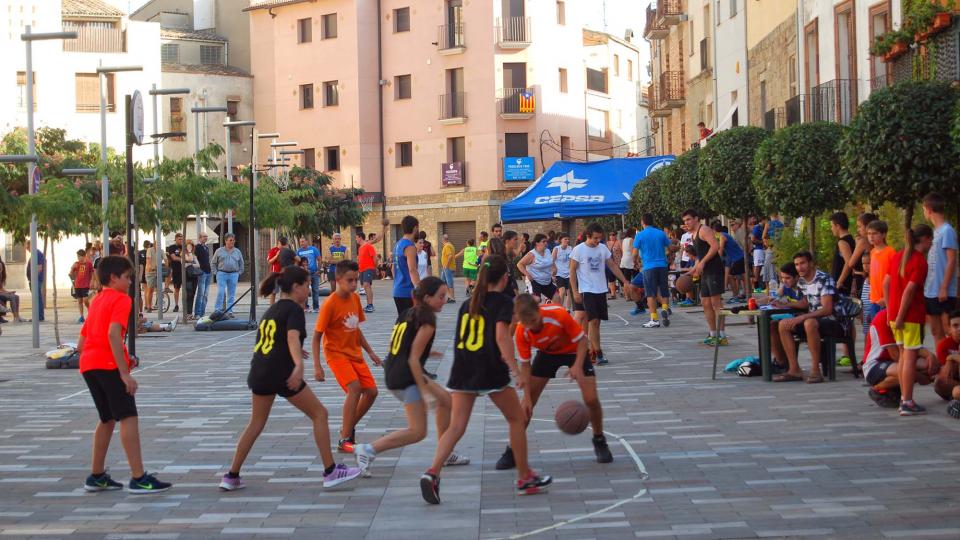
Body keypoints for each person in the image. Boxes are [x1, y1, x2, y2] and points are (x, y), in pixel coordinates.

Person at [419, 255, 551, 505]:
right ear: (505, 278)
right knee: (517, 419)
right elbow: (502, 337)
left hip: (463, 369)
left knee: (456, 427)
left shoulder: (467, 303)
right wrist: (515, 369)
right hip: (488, 367)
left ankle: (432, 471)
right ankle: (525, 477)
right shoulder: (502, 301)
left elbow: (461, 339)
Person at [219, 266, 362, 491]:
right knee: (320, 414)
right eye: (306, 285)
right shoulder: (294, 310)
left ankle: (231, 475)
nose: (309, 288)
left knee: (255, 423)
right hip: (281, 372)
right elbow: (292, 337)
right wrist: (298, 364)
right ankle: (330, 471)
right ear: (296, 287)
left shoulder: (273, 310)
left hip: (259, 371)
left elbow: (272, 340)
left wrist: (294, 353)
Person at [353, 277, 469, 476]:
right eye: (441, 297)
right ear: (427, 298)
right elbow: (414, 359)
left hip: (395, 370)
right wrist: (425, 391)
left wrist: (427, 353)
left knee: (445, 400)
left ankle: (446, 451)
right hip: (405, 376)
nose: (444, 300)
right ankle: (368, 449)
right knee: (418, 431)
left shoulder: (408, 313)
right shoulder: (428, 319)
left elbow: (403, 344)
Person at [77, 255, 172, 494]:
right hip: (107, 365)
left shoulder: (96, 300)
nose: (131, 282)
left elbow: (82, 341)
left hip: (88, 364)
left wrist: (123, 357)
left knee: (107, 419)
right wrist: (124, 372)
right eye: (128, 277)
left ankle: (96, 475)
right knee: (128, 417)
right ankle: (138, 477)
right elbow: (112, 334)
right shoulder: (121, 300)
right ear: (113, 277)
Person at [494, 294, 612, 471]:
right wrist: (526, 396)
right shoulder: (521, 331)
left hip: (574, 352)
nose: (533, 326)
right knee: (526, 405)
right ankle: (512, 450)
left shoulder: (558, 314)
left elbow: (582, 341)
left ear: (539, 311)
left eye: (535, 320)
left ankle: (599, 440)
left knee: (591, 400)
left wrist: (578, 365)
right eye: (528, 324)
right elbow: (525, 366)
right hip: (547, 354)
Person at [312, 260, 382, 453]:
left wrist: (370, 352)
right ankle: (345, 439)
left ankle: (347, 428)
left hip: (355, 354)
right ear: (338, 279)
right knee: (355, 388)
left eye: (356, 280)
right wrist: (317, 366)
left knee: (372, 392)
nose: (354, 285)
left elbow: (355, 328)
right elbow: (317, 336)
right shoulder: (330, 304)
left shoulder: (355, 299)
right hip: (336, 354)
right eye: (350, 280)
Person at [570, 223, 635, 365]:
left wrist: (624, 281)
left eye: (599, 238)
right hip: (587, 290)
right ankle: (598, 353)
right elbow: (572, 271)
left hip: (601, 289)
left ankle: (592, 351)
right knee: (592, 321)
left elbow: (611, 265)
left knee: (597, 323)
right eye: (595, 238)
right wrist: (575, 291)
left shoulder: (602, 248)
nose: (597, 241)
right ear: (588, 236)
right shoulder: (578, 250)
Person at [886, 224, 934, 415]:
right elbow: (910, 291)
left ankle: (903, 398)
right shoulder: (920, 261)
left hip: (895, 316)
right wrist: (900, 316)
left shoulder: (898, 256)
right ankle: (907, 401)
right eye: (931, 240)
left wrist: (891, 313)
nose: (931, 244)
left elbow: (886, 283)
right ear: (925, 239)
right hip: (910, 317)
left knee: (903, 357)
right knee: (909, 359)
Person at [773, 251, 840, 384]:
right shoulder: (802, 281)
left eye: (802, 263)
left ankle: (816, 370)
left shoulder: (824, 278)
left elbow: (827, 309)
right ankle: (794, 369)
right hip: (814, 319)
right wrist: (785, 304)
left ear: (811, 263)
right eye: (797, 264)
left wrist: (801, 318)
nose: (799, 267)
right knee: (782, 324)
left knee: (809, 323)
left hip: (834, 320)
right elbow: (806, 302)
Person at [682, 209, 726, 345]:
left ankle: (722, 336)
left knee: (716, 303)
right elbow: (700, 255)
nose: (686, 223)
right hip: (706, 270)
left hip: (714, 269)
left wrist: (703, 263)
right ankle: (713, 333)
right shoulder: (693, 234)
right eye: (684, 221)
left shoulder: (704, 230)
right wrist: (694, 268)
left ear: (696, 218)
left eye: (688, 219)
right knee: (705, 302)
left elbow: (715, 247)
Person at [922, 192, 958, 344]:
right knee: (936, 331)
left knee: (948, 329)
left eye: (923, 209)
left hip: (943, 291)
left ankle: (952, 364)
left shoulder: (947, 230)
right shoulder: (934, 232)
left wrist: (944, 287)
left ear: (928, 209)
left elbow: (952, 260)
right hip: (930, 290)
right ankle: (942, 362)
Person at [634, 213, 672, 327]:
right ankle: (665, 308)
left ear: (642, 222)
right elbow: (670, 248)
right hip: (662, 265)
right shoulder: (661, 233)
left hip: (649, 267)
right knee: (664, 290)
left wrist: (635, 262)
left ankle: (654, 319)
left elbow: (634, 253)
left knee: (651, 294)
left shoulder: (640, 235)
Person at [830, 212, 857, 363]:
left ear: (838, 226)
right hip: (845, 284)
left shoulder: (842, 241)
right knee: (848, 319)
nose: (831, 229)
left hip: (842, 285)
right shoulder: (850, 239)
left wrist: (839, 281)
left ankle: (847, 354)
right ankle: (848, 353)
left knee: (844, 319)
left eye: (832, 226)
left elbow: (848, 262)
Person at [837, 212, 876, 301]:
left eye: (859, 226)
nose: (858, 230)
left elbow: (851, 263)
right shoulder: (874, 242)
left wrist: (857, 243)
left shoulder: (862, 242)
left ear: (867, 227)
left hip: (861, 280)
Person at [867, 220, 895, 325]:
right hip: (873, 299)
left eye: (874, 233)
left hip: (885, 301)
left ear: (883, 234)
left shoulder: (890, 252)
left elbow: (894, 278)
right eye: (869, 234)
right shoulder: (872, 252)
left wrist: (887, 298)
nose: (871, 237)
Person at [392, 216, 422, 315]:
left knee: (404, 324)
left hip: (397, 290)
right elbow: (412, 270)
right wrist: (419, 289)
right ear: (415, 228)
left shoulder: (398, 244)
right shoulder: (410, 246)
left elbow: (393, 268)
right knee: (413, 324)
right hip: (407, 292)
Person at [210, 233, 244, 317]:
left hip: (233, 274)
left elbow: (241, 263)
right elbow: (213, 263)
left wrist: (239, 272)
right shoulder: (219, 251)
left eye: (233, 240)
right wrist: (216, 272)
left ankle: (230, 311)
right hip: (222, 274)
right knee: (221, 292)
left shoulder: (237, 251)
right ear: (226, 241)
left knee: (231, 294)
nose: (232, 242)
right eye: (230, 240)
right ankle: (217, 310)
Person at [516, 234, 556, 303]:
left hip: (547, 281)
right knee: (537, 300)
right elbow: (519, 264)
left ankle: (555, 313)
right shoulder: (531, 254)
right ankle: (528, 311)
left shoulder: (548, 251)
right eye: (543, 241)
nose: (546, 243)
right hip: (535, 281)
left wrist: (554, 268)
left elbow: (551, 261)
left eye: (546, 241)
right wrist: (528, 275)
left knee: (557, 297)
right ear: (537, 243)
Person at [935, 311, 960, 403]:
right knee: (939, 382)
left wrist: (951, 357)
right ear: (949, 329)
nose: (959, 329)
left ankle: (956, 396)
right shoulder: (943, 345)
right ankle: (955, 395)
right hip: (955, 381)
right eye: (955, 326)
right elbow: (944, 371)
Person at [720, 225, 747, 303]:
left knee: (731, 277)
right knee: (743, 277)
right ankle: (746, 294)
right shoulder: (726, 235)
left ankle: (735, 297)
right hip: (739, 257)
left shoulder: (722, 236)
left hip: (737, 258)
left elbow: (720, 250)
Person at [297, 237, 322, 313]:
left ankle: (316, 307)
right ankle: (305, 306)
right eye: (300, 242)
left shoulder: (313, 249)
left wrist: (318, 270)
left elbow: (319, 259)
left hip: (314, 273)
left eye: (303, 241)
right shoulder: (298, 251)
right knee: (305, 291)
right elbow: (296, 262)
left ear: (307, 241)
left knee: (315, 290)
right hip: (304, 274)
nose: (301, 243)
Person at [70, 249, 94, 324]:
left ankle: (91, 313)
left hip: (86, 284)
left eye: (80, 257)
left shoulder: (89, 264)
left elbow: (92, 273)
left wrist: (92, 281)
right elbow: (71, 275)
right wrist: (72, 268)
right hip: (78, 285)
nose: (79, 258)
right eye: (78, 257)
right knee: (80, 301)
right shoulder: (76, 264)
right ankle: (81, 316)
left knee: (85, 300)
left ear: (84, 256)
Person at [0, 254, 26, 323]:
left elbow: (1, 288)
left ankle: (17, 316)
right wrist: (6, 293)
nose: (1, 269)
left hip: (1, 293)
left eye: (2, 267)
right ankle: (16, 317)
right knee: (12, 297)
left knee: (16, 296)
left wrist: (7, 292)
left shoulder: (1, 275)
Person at [358, 232, 379, 313]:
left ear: (360, 237)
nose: (356, 239)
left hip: (369, 268)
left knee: (367, 285)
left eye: (356, 237)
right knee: (365, 287)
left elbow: (375, 258)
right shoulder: (360, 248)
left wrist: (375, 268)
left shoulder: (368, 246)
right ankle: (368, 305)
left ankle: (370, 305)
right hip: (362, 270)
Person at [552, 233, 573, 310]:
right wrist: (553, 274)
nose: (567, 240)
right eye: (565, 239)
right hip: (559, 273)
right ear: (561, 240)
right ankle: (560, 308)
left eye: (568, 239)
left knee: (570, 292)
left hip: (568, 273)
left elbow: (572, 261)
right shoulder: (557, 249)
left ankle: (567, 309)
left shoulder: (570, 248)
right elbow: (552, 261)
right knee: (562, 291)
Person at [25, 240, 45, 322]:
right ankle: (38, 316)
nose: (26, 249)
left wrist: (34, 279)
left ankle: (39, 317)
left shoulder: (37, 254)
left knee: (37, 298)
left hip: (36, 280)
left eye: (27, 247)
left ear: (31, 246)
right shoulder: (35, 254)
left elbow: (39, 268)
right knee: (37, 298)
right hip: (34, 280)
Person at [194, 233, 212, 318]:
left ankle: (202, 312)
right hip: (202, 272)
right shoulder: (197, 247)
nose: (206, 238)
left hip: (208, 272)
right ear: (200, 238)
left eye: (206, 236)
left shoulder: (206, 248)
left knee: (206, 294)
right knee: (200, 294)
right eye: (204, 236)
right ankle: (197, 313)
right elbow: (195, 259)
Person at [166, 233, 184, 313]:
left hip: (185, 270)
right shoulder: (172, 247)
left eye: (182, 239)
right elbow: (173, 257)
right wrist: (183, 260)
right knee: (177, 288)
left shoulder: (184, 247)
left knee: (187, 289)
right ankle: (176, 305)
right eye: (179, 239)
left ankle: (186, 305)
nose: (181, 240)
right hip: (176, 270)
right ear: (176, 239)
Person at [183, 240, 201, 319]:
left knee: (193, 294)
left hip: (194, 276)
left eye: (191, 246)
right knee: (188, 294)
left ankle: (190, 313)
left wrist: (189, 264)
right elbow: (189, 260)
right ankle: (187, 313)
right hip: (187, 277)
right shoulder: (183, 254)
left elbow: (198, 265)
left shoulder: (194, 255)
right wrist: (189, 252)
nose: (190, 247)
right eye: (188, 246)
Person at [750, 216, 767, 293]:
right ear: (763, 220)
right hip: (758, 250)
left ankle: (757, 286)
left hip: (761, 249)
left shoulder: (762, 227)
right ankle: (755, 287)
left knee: (759, 267)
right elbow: (753, 239)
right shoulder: (757, 227)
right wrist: (762, 242)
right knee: (757, 267)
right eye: (766, 220)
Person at [439, 234, 458, 305]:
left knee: (449, 282)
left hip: (448, 268)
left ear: (443, 240)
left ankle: (452, 298)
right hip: (447, 267)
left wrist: (446, 266)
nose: (441, 241)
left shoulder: (447, 246)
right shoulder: (450, 245)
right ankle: (449, 297)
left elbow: (450, 256)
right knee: (442, 282)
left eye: (441, 240)